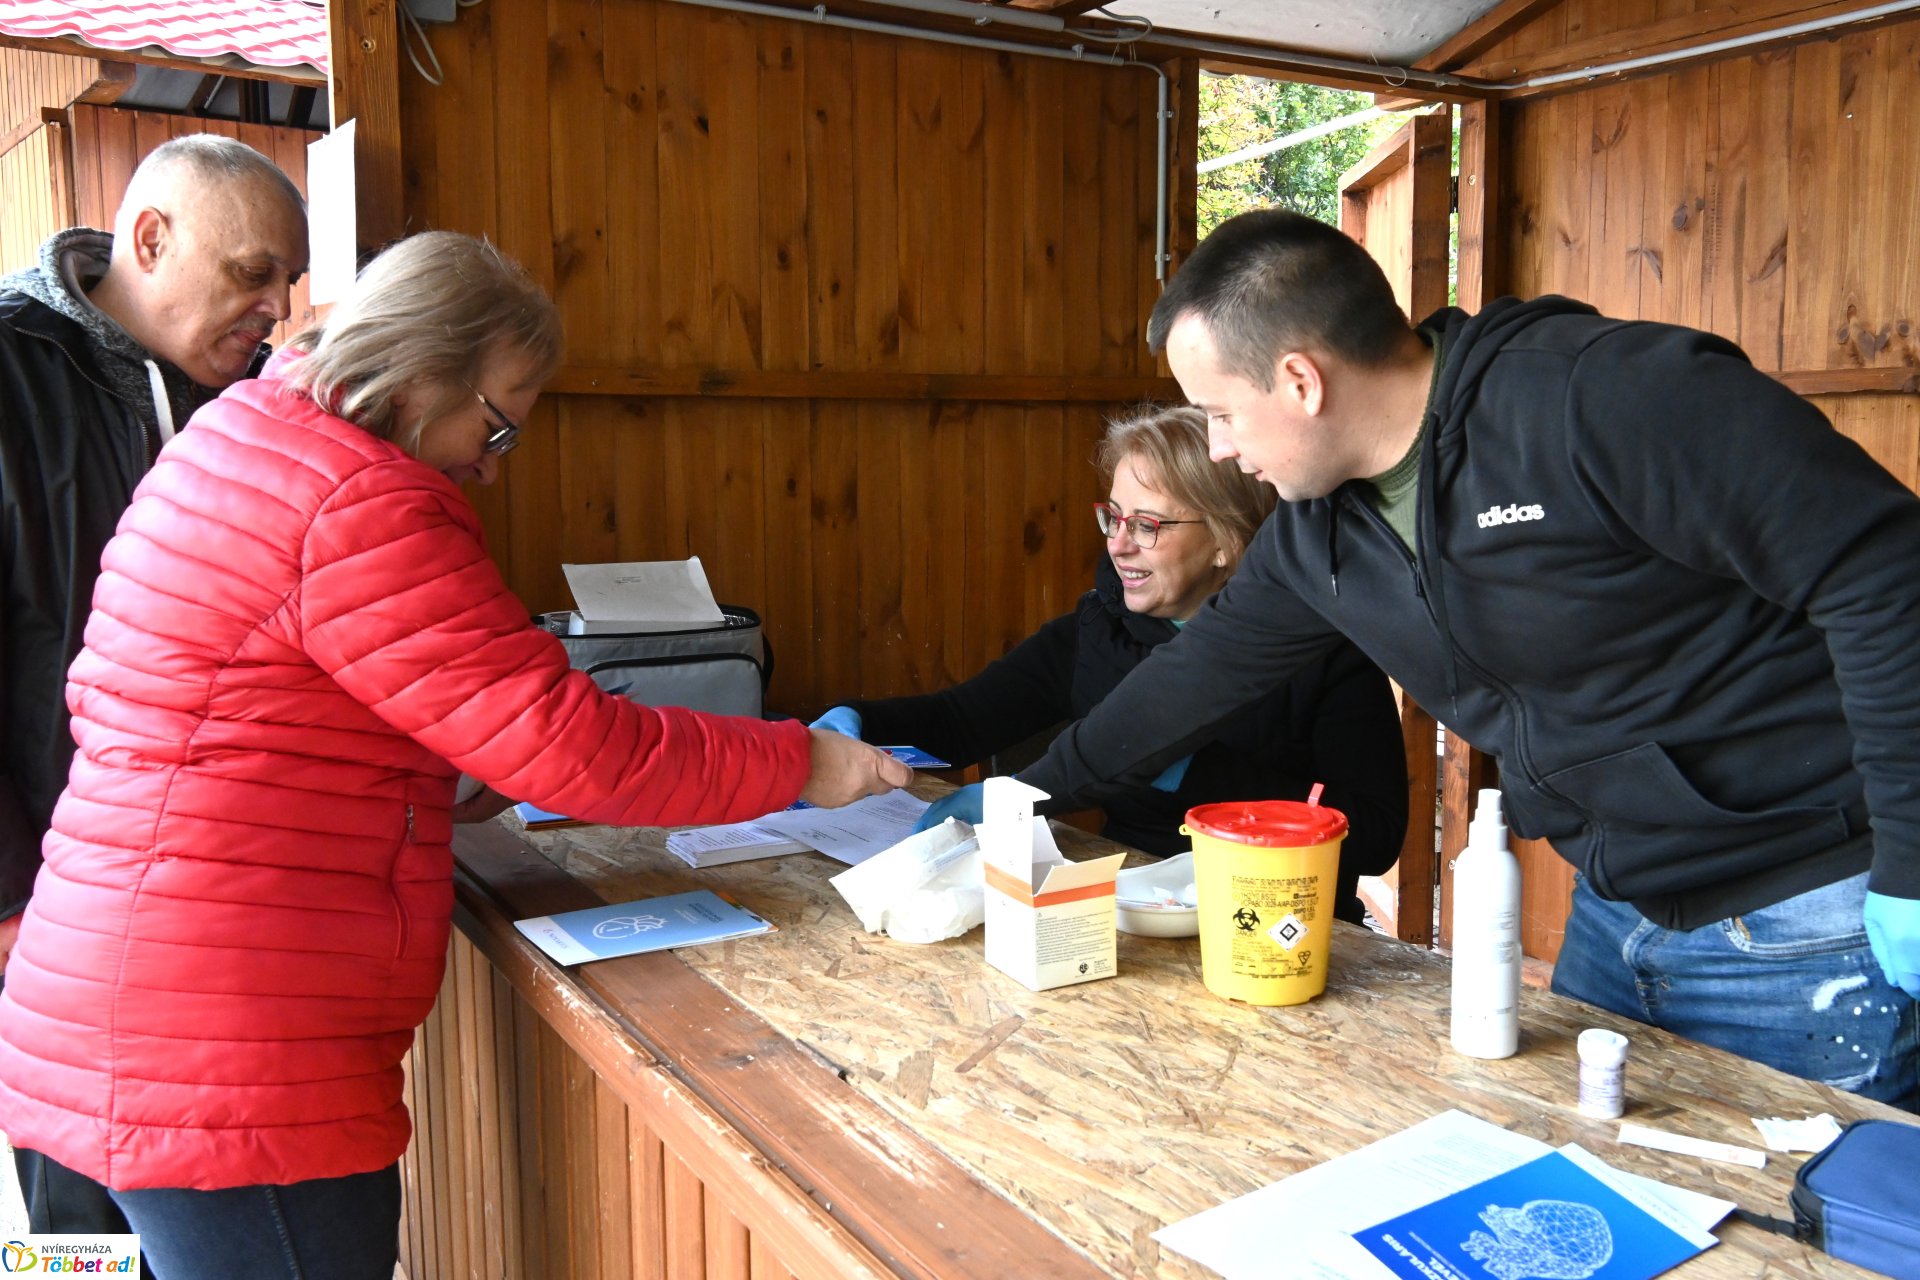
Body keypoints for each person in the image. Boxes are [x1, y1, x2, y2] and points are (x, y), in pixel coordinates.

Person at [0, 230, 909, 1279]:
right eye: (497, 420)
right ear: (426, 364)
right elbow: (572, 748)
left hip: (126, 998)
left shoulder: (246, 432)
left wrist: (433, 770)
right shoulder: (358, 496)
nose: (487, 461)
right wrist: (806, 763)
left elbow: (262, 710)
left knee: (96, 1268)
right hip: (227, 1049)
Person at [1016, 208, 1920, 1109]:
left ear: (1300, 381)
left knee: (1831, 1241)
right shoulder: (1316, 532)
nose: (1218, 448)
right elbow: (1189, 680)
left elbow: (1887, 573)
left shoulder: (1601, 399)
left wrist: (1914, 868)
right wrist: (1024, 800)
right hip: (1617, 916)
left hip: (1819, 914)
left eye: (1220, 414)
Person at [0, 132, 309, 1236]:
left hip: (225, 911)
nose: (277, 305)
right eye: (254, 272)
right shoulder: (9, 372)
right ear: (149, 238)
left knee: (206, 1219)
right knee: (73, 1223)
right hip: (55, 898)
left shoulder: (271, 399)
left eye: (288, 280)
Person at [817, 405, 1408, 923]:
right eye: (1114, 517)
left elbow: (1375, 835)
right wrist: (852, 722)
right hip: (1132, 914)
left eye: (1148, 525)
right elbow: (959, 720)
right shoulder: (1099, 630)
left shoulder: (1326, 651)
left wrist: (1190, 771)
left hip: (1285, 928)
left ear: (1228, 541)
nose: (1118, 544)